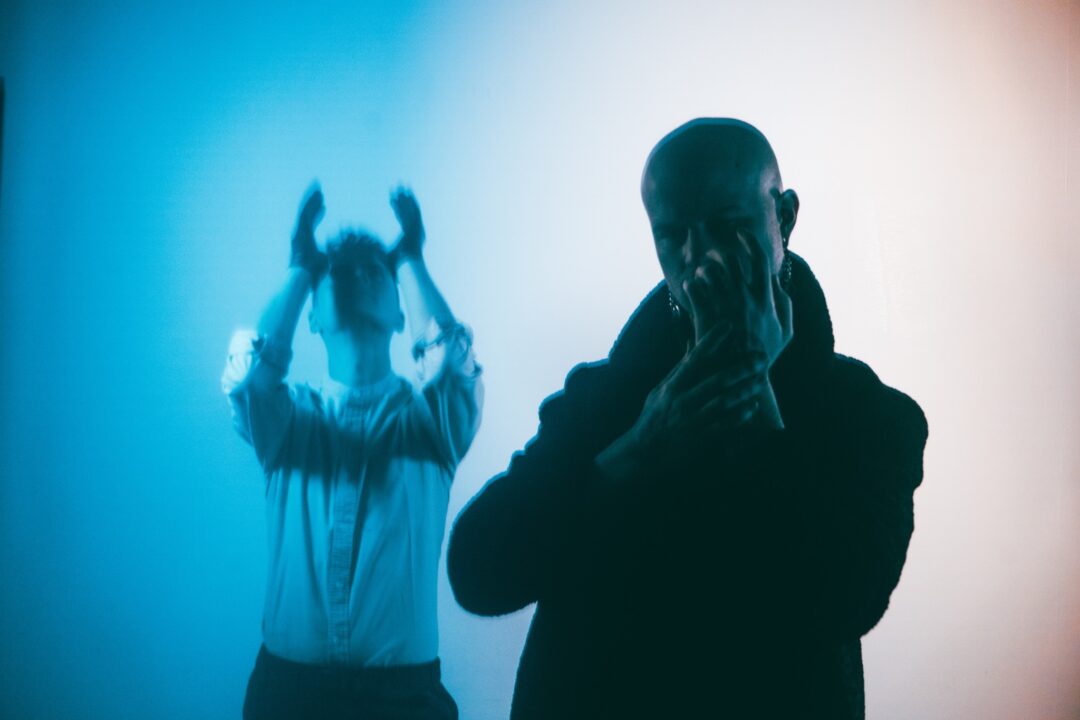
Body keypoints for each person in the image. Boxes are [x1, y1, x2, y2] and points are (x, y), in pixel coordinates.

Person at [446, 118, 928, 719]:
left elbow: (843, 596)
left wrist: (753, 389)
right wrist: (637, 449)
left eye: (727, 226)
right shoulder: (601, 400)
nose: (699, 259)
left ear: (784, 217)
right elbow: (477, 572)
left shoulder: (867, 414)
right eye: (672, 235)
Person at [222, 184, 482, 720]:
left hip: (405, 703)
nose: (357, 274)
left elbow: (454, 365)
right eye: (338, 271)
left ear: (401, 317)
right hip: (286, 698)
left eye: (374, 270)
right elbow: (247, 375)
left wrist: (408, 260)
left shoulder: (432, 423)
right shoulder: (287, 422)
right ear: (311, 318)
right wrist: (301, 268)